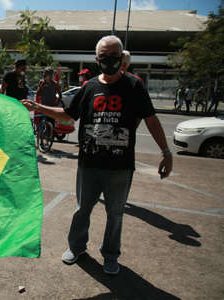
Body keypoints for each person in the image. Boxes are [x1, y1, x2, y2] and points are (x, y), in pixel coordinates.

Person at [21, 35, 173, 275]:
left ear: (122, 58)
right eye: (104, 57)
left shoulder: (134, 87)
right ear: (97, 59)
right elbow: (68, 114)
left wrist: (166, 152)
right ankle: (77, 247)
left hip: (120, 167)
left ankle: (111, 256)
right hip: (89, 164)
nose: (109, 61)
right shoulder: (89, 87)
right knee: (82, 209)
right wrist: (38, 107)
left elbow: (151, 120)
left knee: (115, 214)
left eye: (114, 56)